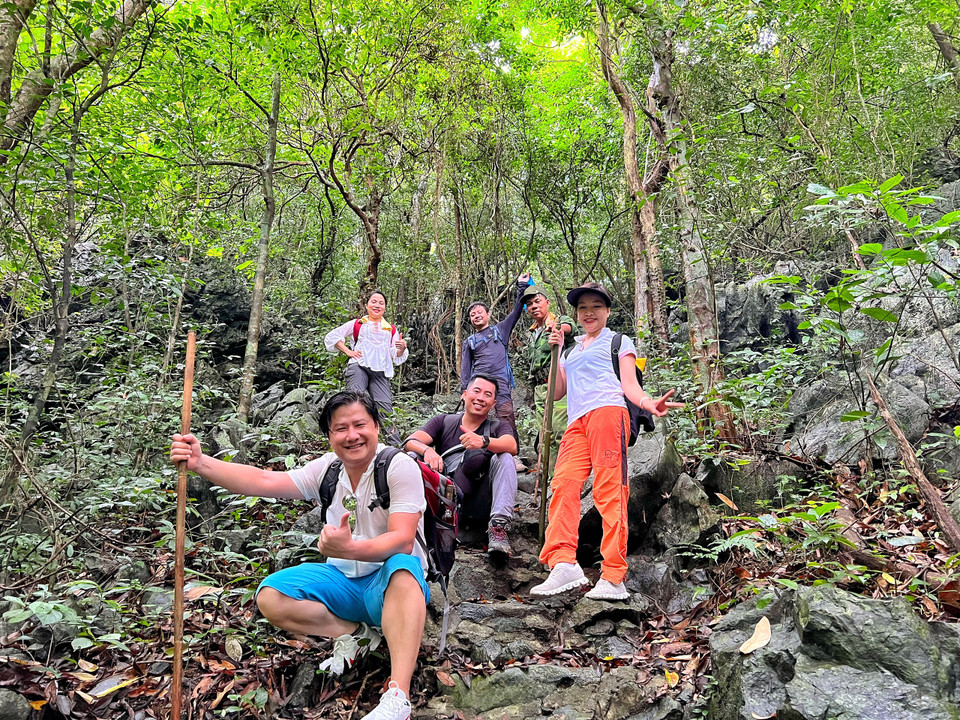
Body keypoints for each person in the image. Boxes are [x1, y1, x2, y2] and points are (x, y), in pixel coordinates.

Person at [169, 391, 427, 720]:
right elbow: (264, 480)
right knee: (271, 596)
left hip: (388, 586)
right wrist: (200, 463)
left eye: (360, 424)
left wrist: (350, 547)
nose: (352, 436)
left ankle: (398, 696)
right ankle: (357, 634)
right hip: (343, 581)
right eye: (340, 428)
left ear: (376, 426)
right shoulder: (328, 471)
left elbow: (403, 540)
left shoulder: (398, 467)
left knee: (403, 568)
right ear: (330, 436)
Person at [530, 282, 683, 601]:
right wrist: (555, 350)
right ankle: (563, 564)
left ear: (607, 311)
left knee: (609, 490)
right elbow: (557, 392)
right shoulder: (570, 350)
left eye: (596, 306)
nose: (589, 312)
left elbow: (629, 384)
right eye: (583, 307)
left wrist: (648, 402)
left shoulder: (618, 341)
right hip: (576, 422)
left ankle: (613, 576)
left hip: (608, 413)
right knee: (563, 486)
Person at [404, 374, 518, 557]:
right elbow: (411, 441)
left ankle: (498, 528)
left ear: (494, 403)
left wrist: (483, 441)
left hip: (478, 501)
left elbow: (511, 445)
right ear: (464, 394)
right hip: (445, 499)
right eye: (477, 391)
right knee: (411, 457)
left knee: (504, 457)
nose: (481, 398)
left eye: (488, 394)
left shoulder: (498, 427)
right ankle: (407, 524)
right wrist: (428, 451)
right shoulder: (443, 421)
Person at [325, 290, 408, 443]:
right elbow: (332, 336)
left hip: (380, 371)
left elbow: (394, 354)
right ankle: (352, 441)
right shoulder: (357, 324)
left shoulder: (390, 329)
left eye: (381, 303)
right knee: (355, 402)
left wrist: (401, 348)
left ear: (385, 308)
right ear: (367, 304)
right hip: (358, 365)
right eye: (374, 302)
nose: (377, 305)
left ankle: (395, 446)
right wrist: (348, 351)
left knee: (384, 407)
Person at [461, 273, 533, 444]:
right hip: (479, 384)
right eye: (473, 314)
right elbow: (465, 369)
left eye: (479, 312)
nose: (476, 315)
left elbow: (517, 310)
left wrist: (521, 286)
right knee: (477, 418)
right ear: (471, 320)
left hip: (501, 383)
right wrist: (465, 391)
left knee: (506, 416)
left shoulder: (500, 330)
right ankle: (479, 452)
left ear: (487, 314)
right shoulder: (469, 341)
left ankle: (511, 452)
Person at [520, 285, 576, 473]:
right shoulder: (533, 332)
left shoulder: (558, 320)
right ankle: (550, 477)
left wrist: (558, 328)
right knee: (544, 435)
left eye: (537, 301)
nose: (533, 306)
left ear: (547, 302)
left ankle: (564, 476)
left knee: (560, 432)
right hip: (539, 389)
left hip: (558, 386)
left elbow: (571, 328)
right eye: (529, 304)